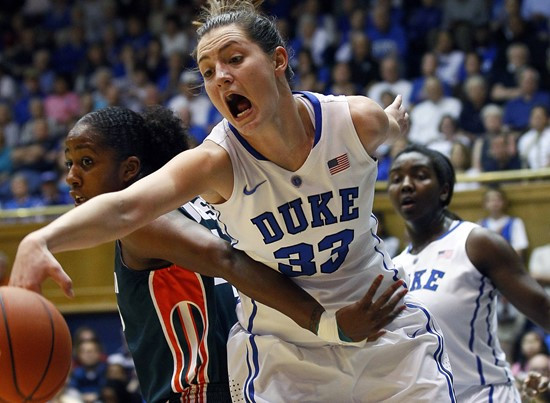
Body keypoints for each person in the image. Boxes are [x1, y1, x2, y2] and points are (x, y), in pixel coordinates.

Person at [11, 2, 457, 401]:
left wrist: (393, 124)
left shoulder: (354, 120)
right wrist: (43, 238)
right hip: (286, 353)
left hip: (382, 324)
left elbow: (389, 127)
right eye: (207, 72)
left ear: (278, 60)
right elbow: (126, 207)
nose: (220, 77)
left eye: (234, 59)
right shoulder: (215, 161)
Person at [17, 104, 404, 402]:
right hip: (250, 378)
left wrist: (328, 324)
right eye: (69, 163)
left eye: (86, 162)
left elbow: (225, 259)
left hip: (199, 390)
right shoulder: (207, 202)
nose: (71, 176)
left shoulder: (143, 223)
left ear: (129, 170)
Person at [387, 143, 550, 402]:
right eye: (396, 179)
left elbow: (544, 309)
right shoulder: (394, 267)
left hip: (485, 394)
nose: (406, 185)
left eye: (419, 176)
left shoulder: (476, 242)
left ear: (444, 190)